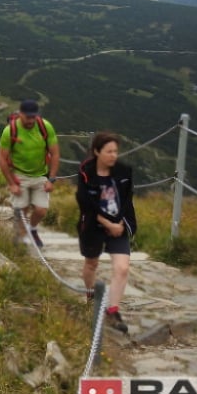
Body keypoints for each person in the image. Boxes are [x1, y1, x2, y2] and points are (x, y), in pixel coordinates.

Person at [77, 131, 136, 334]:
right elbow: (85, 204)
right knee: (91, 263)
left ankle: (112, 310)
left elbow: (127, 200)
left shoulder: (123, 172)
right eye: (109, 151)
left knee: (122, 268)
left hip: (118, 225)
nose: (113, 155)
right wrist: (107, 223)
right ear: (97, 152)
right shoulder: (86, 172)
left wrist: (120, 223)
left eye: (115, 151)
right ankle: (91, 296)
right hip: (94, 225)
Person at [0, 99, 60, 248]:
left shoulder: (45, 127)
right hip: (19, 175)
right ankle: (21, 240)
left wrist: (51, 179)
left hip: (40, 174)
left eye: (34, 116)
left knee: (41, 210)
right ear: (20, 114)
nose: (31, 120)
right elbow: (2, 159)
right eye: (28, 117)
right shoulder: (10, 130)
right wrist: (11, 183)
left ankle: (32, 228)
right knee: (22, 209)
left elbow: (55, 153)